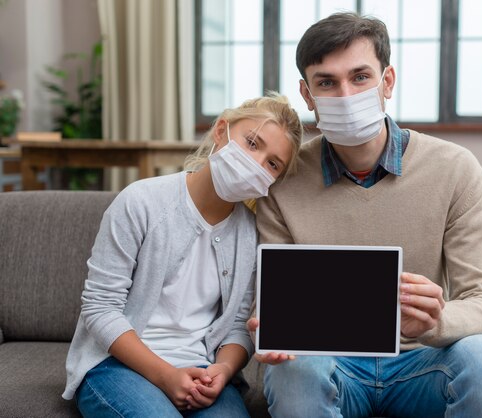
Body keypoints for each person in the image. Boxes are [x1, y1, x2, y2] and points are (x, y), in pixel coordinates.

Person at [252, 12, 482, 418]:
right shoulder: (283, 179)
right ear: (308, 96)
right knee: (295, 369)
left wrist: (436, 321)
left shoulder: (454, 168)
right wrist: (273, 323)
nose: (345, 95)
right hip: (331, 365)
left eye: (360, 77)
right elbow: (273, 300)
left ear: (387, 82)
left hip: (425, 362)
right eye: (327, 82)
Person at [62, 92, 303, 418]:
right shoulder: (140, 202)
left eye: (272, 163)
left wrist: (223, 371)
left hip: (202, 370)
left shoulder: (251, 233)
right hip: (117, 365)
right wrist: (165, 375)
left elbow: (238, 326)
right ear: (221, 131)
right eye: (252, 143)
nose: (256, 163)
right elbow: (100, 308)